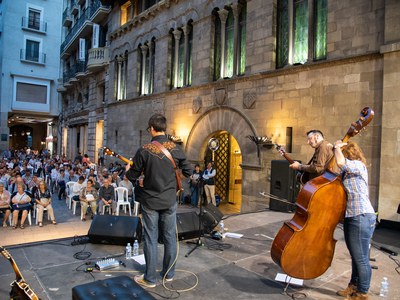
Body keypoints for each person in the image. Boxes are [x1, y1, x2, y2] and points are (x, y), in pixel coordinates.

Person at [126, 113, 191, 288]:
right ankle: (169, 274)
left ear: (152, 129)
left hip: (151, 201)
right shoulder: (176, 148)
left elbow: (132, 175)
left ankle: (150, 279)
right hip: (170, 200)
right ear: (164, 128)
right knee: (170, 236)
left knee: (150, 238)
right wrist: (174, 180)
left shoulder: (144, 149)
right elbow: (188, 171)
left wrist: (129, 169)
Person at [334, 140, 376, 300]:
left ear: (348, 153)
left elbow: (340, 162)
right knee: (356, 256)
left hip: (361, 216)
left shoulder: (358, 165)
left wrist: (337, 147)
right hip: (353, 215)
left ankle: (363, 293)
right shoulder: (348, 171)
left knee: (361, 259)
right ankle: (353, 287)